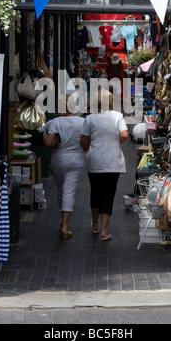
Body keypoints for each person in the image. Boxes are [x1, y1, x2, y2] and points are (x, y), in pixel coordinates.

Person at [80, 89, 129, 241]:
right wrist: (117, 142)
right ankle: (104, 230)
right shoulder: (117, 116)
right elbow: (125, 135)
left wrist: (90, 148)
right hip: (113, 161)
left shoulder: (90, 119)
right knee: (108, 194)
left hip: (95, 160)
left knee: (95, 192)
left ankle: (95, 224)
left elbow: (84, 142)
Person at [44, 95, 85, 239]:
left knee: (61, 190)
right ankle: (65, 226)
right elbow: (86, 143)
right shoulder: (82, 122)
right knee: (69, 192)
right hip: (76, 160)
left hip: (58, 160)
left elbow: (48, 144)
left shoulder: (56, 122)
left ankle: (63, 223)